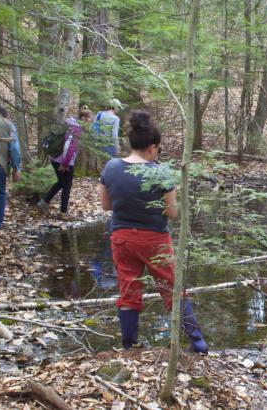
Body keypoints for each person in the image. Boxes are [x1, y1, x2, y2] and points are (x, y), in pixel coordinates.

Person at [99, 110, 208, 353]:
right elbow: (172, 213)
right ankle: (197, 342)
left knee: (128, 289)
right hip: (155, 239)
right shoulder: (160, 172)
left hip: (122, 237)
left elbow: (106, 205)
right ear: (153, 147)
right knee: (171, 287)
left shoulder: (111, 167)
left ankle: (129, 344)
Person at [37, 107, 93, 218]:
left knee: (61, 183)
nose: (91, 122)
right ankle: (63, 212)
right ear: (84, 118)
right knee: (67, 185)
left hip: (55, 158)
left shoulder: (68, 123)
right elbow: (69, 147)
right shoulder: (75, 128)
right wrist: (66, 163)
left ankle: (43, 203)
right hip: (63, 161)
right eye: (90, 119)